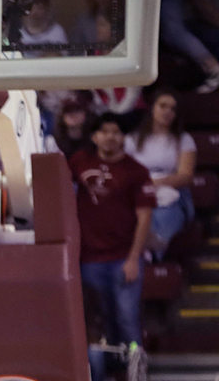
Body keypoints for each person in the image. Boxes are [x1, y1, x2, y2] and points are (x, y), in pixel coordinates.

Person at [70, 116, 155, 353]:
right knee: (99, 322)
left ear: (123, 137)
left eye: (116, 132)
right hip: (88, 259)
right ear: (94, 136)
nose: (110, 136)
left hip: (122, 258)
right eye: (104, 131)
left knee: (127, 320)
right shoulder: (79, 161)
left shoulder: (136, 171)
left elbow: (145, 216)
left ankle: (137, 375)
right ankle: (109, 379)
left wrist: (133, 258)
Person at [124, 90, 196, 259]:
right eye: (163, 106)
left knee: (162, 213)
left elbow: (186, 176)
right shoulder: (132, 140)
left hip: (173, 194)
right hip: (138, 192)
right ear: (152, 108)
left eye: (172, 109)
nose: (167, 112)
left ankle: (151, 251)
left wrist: (155, 183)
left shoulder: (184, 140)